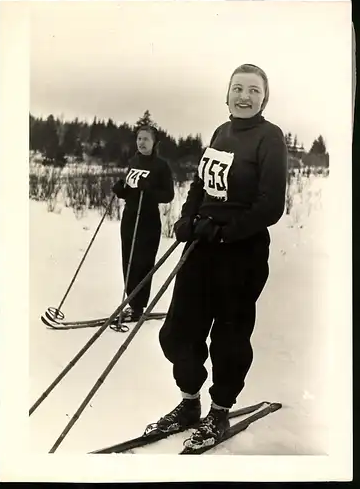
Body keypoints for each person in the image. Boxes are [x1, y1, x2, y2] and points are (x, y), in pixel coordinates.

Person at [153, 64, 288, 450]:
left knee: (229, 335)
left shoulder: (269, 137)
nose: (244, 96)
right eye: (238, 88)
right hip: (203, 245)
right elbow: (200, 182)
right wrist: (185, 217)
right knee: (179, 330)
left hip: (241, 251)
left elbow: (271, 204)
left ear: (265, 99)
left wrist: (228, 231)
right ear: (226, 93)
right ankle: (189, 403)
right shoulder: (221, 132)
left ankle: (219, 410)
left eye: (254, 91)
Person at [111, 125, 175, 323]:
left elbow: (168, 195)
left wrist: (149, 190)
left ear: (154, 142)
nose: (141, 142)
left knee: (142, 261)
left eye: (146, 139)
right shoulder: (133, 162)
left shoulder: (161, 166)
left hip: (147, 219)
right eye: (139, 138)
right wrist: (122, 190)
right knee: (128, 260)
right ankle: (131, 302)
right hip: (130, 216)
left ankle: (139, 305)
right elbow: (131, 190)